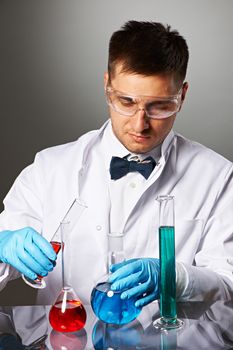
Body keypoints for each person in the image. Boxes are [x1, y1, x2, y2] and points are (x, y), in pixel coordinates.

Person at [0, 20, 233, 307]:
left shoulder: (218, 176)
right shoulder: (50, 168)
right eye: (125, 101)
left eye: (159, 106)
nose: (140, 123)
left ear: (182, 96)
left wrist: (174, 277)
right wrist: (3, 246)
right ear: (107, 86)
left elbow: (228, 284)